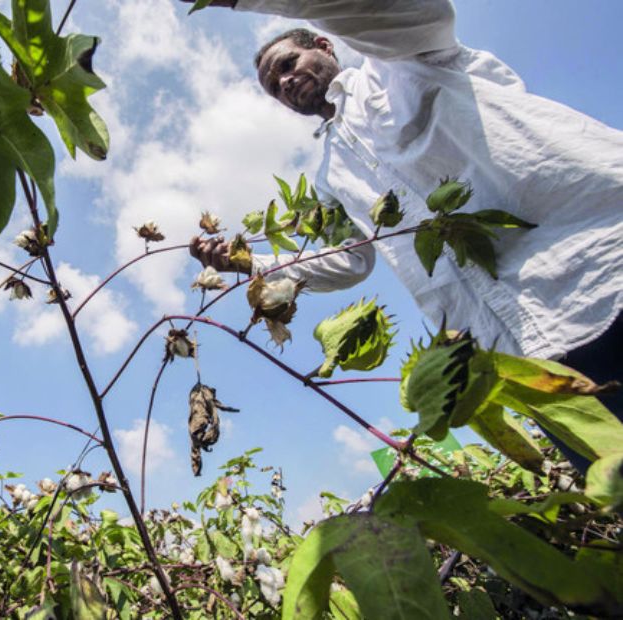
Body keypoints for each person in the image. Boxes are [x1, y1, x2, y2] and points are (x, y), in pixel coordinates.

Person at [182, 0, 623, 468]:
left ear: (326, 44)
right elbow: (352, 260)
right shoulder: (331, 176)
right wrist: (249, 264)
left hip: (596, 266)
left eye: (288, 65)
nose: (285, 83)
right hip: (524, 355)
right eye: (275, 87)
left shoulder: (404, 61)